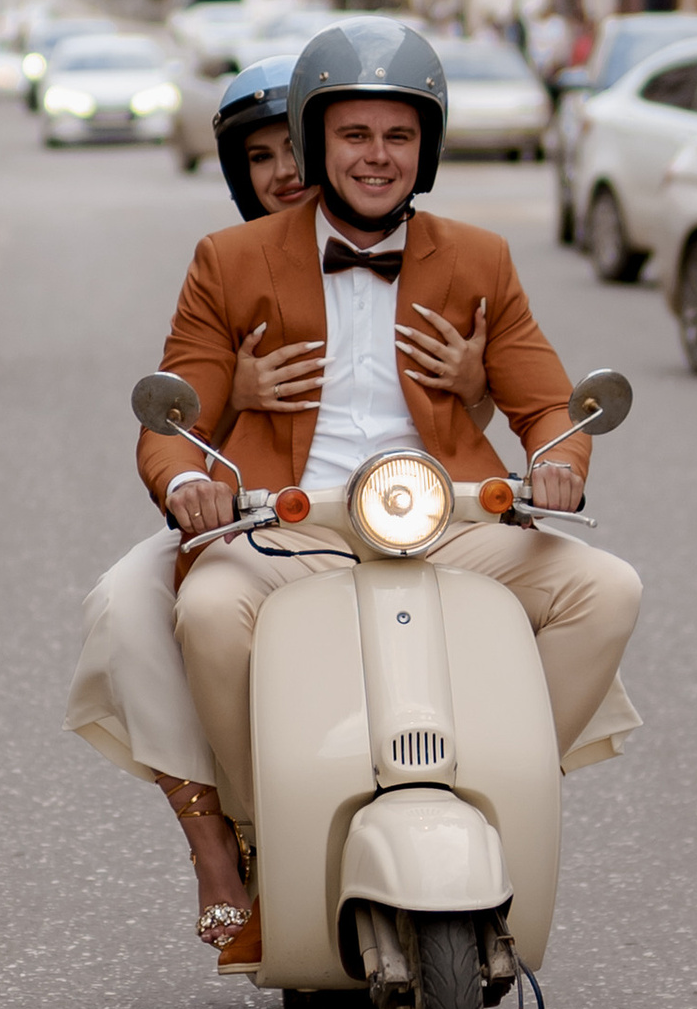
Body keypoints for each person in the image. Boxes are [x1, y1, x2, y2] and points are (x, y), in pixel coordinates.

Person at [142, 18, 641, 963]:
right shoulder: (231, 259)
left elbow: (544, 400)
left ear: (430, 148)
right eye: (356, 136)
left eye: (400, 136)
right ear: (318, 143)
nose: (378, 158)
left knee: (606, 590)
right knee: (207, 614)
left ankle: (504, 782)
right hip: (291, 520)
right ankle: (265, 824)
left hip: (445, 512)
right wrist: (185, 487)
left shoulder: (481, 259)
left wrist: (562, 458)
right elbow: (175, 416)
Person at [66, 51, 500, 952]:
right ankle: (222, 837)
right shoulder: (232, 267)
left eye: (292, 154)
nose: (285, 176)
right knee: (136, 610)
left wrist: (478, 376)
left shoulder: (419, 248)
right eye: (259, 160)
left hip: (403, 506)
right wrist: (235, 399)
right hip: (252, 516)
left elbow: (455, 402)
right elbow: (177, 411)